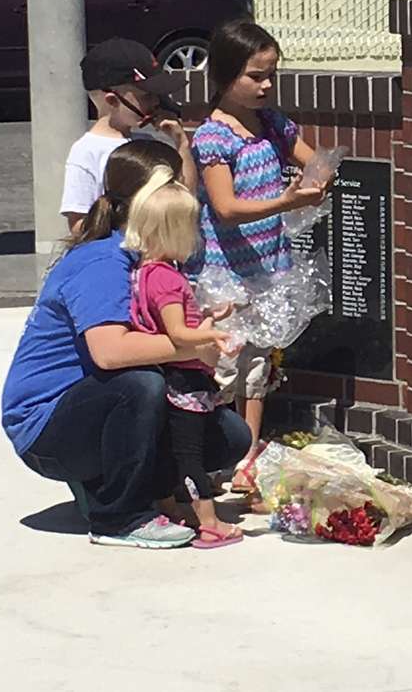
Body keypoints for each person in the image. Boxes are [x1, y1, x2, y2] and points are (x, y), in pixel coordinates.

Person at [2, 141, 252, 549]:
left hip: (93, 409)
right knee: (140, 384)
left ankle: (130, 488)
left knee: (229, 436)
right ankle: (118, 515)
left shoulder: (149, 258)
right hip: (46, 431)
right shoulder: (104, 262)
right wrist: (192, 349)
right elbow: (110, 352)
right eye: (176, 182)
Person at [190, 19, 327, 493]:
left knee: (258, 369)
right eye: (255, 75)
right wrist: (286, 202)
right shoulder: (214, 137)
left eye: (272, 73)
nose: (266, 84)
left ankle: (248, 460)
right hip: (227, 277)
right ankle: (213, 460)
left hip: (270, 269)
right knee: (224, 370)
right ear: (225, 76)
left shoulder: (272, 124)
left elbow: (314, 159)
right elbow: (225, 209)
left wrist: (317, 177)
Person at [122, 168, 244, 548]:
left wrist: (210, 317)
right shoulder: (169, 279)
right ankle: (210, 524)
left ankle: (171, 508)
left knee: (171, 450)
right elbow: (177, 334)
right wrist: (214, 335)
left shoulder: (146, 273)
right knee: (191, 454)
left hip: (168, 375)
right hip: (186, 381)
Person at [60, 38, 197, 234]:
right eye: (146, 96)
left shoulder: (147, 143)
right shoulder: (87, 152)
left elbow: (186, 196)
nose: (155, 102)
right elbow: (78, 224)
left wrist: (181, 144)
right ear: (112, 100)